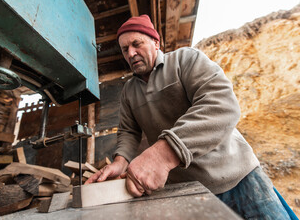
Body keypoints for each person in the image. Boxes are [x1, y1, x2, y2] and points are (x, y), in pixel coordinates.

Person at [86, 15, 293, 219]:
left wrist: (162, 155)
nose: (131, 53)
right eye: (125, 49)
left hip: (238, 177)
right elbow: (129, 131)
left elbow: (222, 103)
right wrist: (121, 161)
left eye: (136, 44)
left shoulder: (185, 60)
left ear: (155, 42)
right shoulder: (129, 91)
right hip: (190, 191)